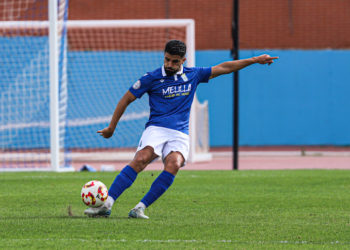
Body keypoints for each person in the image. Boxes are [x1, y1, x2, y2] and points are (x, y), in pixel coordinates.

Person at [84, 40, 278, 218]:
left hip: (179, 133)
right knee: (141, 159)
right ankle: (106, 204)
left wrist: (255, 60)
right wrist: (111, 127)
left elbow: (225, 67)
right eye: (167, 59)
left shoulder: (194, 74)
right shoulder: (151, 78)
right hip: (156, 128)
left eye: (174, 61)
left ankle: (139, 208)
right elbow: (126, 99)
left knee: (174, 164)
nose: (169, 64)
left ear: (183, 60)